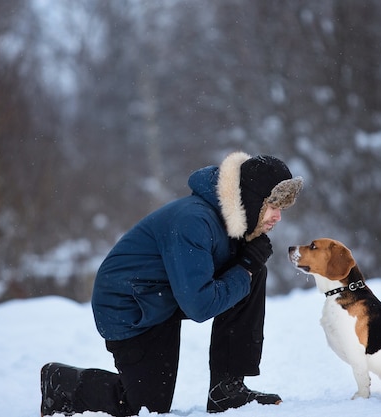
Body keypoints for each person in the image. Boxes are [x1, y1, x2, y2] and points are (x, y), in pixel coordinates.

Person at [40, 151, 303, 416]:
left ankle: (227, 390)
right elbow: (200, 306)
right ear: (252, 199)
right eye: (273, 206)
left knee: (251, 273)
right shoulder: (194, 221)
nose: (278, 217)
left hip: (164, 296)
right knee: (143, 408)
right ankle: (60, 383)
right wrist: (244, 266)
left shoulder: (231, 223)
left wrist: (247, 267)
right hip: (129, 307)